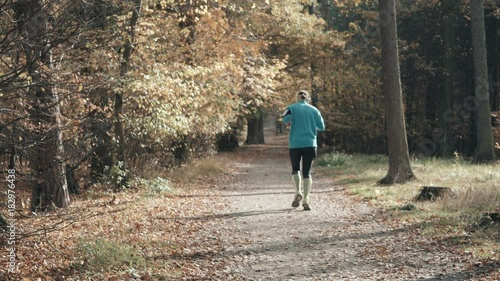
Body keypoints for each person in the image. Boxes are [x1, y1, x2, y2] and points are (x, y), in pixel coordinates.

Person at [282, 90, 325, 211]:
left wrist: (291, 122)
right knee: (307, 172)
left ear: (297, 98)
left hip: (295, 144)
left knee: (295, 169)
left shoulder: (291, 108)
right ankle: (306, 199)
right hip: (310, 144)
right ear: (308, 98)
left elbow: (285, 120)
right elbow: (321, 127)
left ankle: (297, 192)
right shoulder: (314, 110)